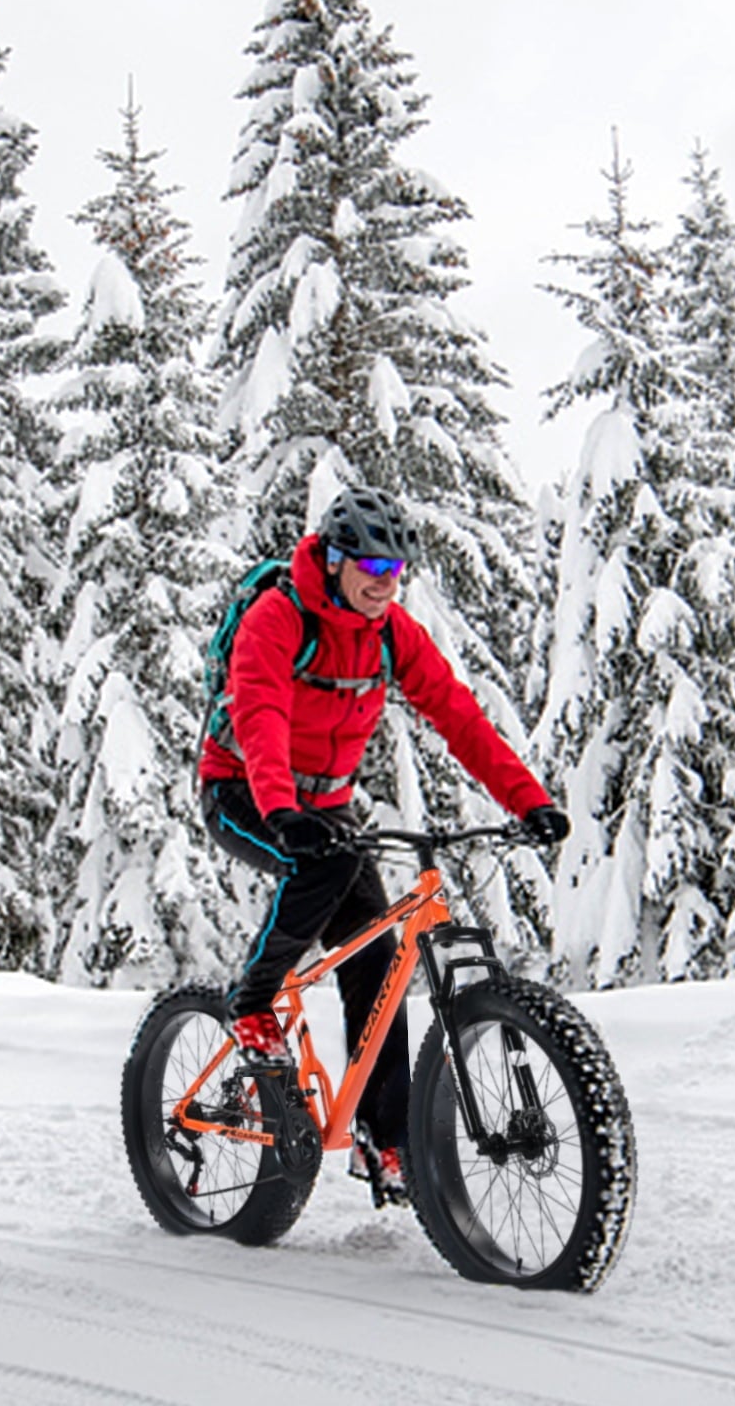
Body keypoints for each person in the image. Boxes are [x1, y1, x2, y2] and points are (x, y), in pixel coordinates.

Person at [198, 487, 569, 1205]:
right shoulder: (280, 616)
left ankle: (383, 1140)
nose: (384, 580)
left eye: (395, 568)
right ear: (334, 559)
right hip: (243, 789)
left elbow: (459, 716)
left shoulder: (392, 632)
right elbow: (260, 711)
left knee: (375, 956)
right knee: (324, 868)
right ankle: (251, 1002)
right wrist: (280, 808)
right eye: (370, 564)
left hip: (326, 808)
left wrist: (529, 800)